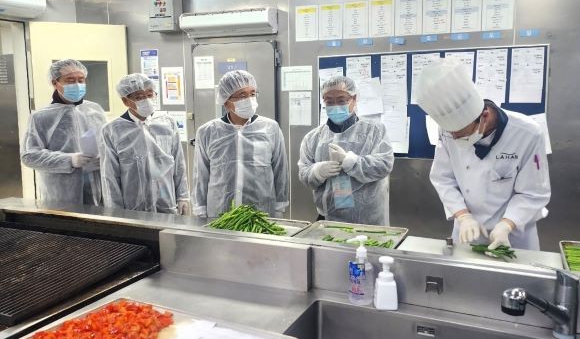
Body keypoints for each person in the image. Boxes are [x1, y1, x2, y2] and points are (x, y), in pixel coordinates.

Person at [416, 59, 550, 250]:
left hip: (514, 237)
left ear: (484, 117)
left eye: (461, 133)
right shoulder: (448, 131)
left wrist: (506, 225)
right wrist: (463, 216)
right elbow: (442, 178)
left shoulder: (528, 133)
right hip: (467, 232)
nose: (455, 138)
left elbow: (533, 193)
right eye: (451, 133)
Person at [298, 75, 394, 226]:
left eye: (342, 100)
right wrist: (317, 171)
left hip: (367, 221)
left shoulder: (374, 131)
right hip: (329, 218)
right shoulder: (313, 138)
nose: (335, 106)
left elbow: (384, 164)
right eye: (329, 102)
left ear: (354, 99)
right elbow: (304, 174)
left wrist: (351, 161)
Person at [192, 70, 288, 218]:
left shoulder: (270, 128)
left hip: (260, 212)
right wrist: (200, 209)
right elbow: (201, 174)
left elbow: (280, 169)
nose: (249, 99)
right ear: (226, 101)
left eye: (253, 94)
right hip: (220, 213)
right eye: (242, 96)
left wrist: (279, 207)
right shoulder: (208, 131)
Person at [100, 73, 189, 214]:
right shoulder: (112, 130)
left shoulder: (167, 122)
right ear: (126, 101)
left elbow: (178, 163)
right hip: (133, 206)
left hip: (166, 201)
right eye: (139, 97)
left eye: (149, 95)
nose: (146, 100)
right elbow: (110, 175)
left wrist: (183, 196)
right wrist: (116, 211)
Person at [21, 59, 107, 206]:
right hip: (61, 192)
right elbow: (29, 156)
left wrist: (104, 157)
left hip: (98, 187)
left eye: (81, 80)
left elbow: (107, 142)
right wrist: (69, 160)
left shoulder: (95, 110)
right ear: (55, 83)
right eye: (70, 80)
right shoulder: (41, 117)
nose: (77, 85)